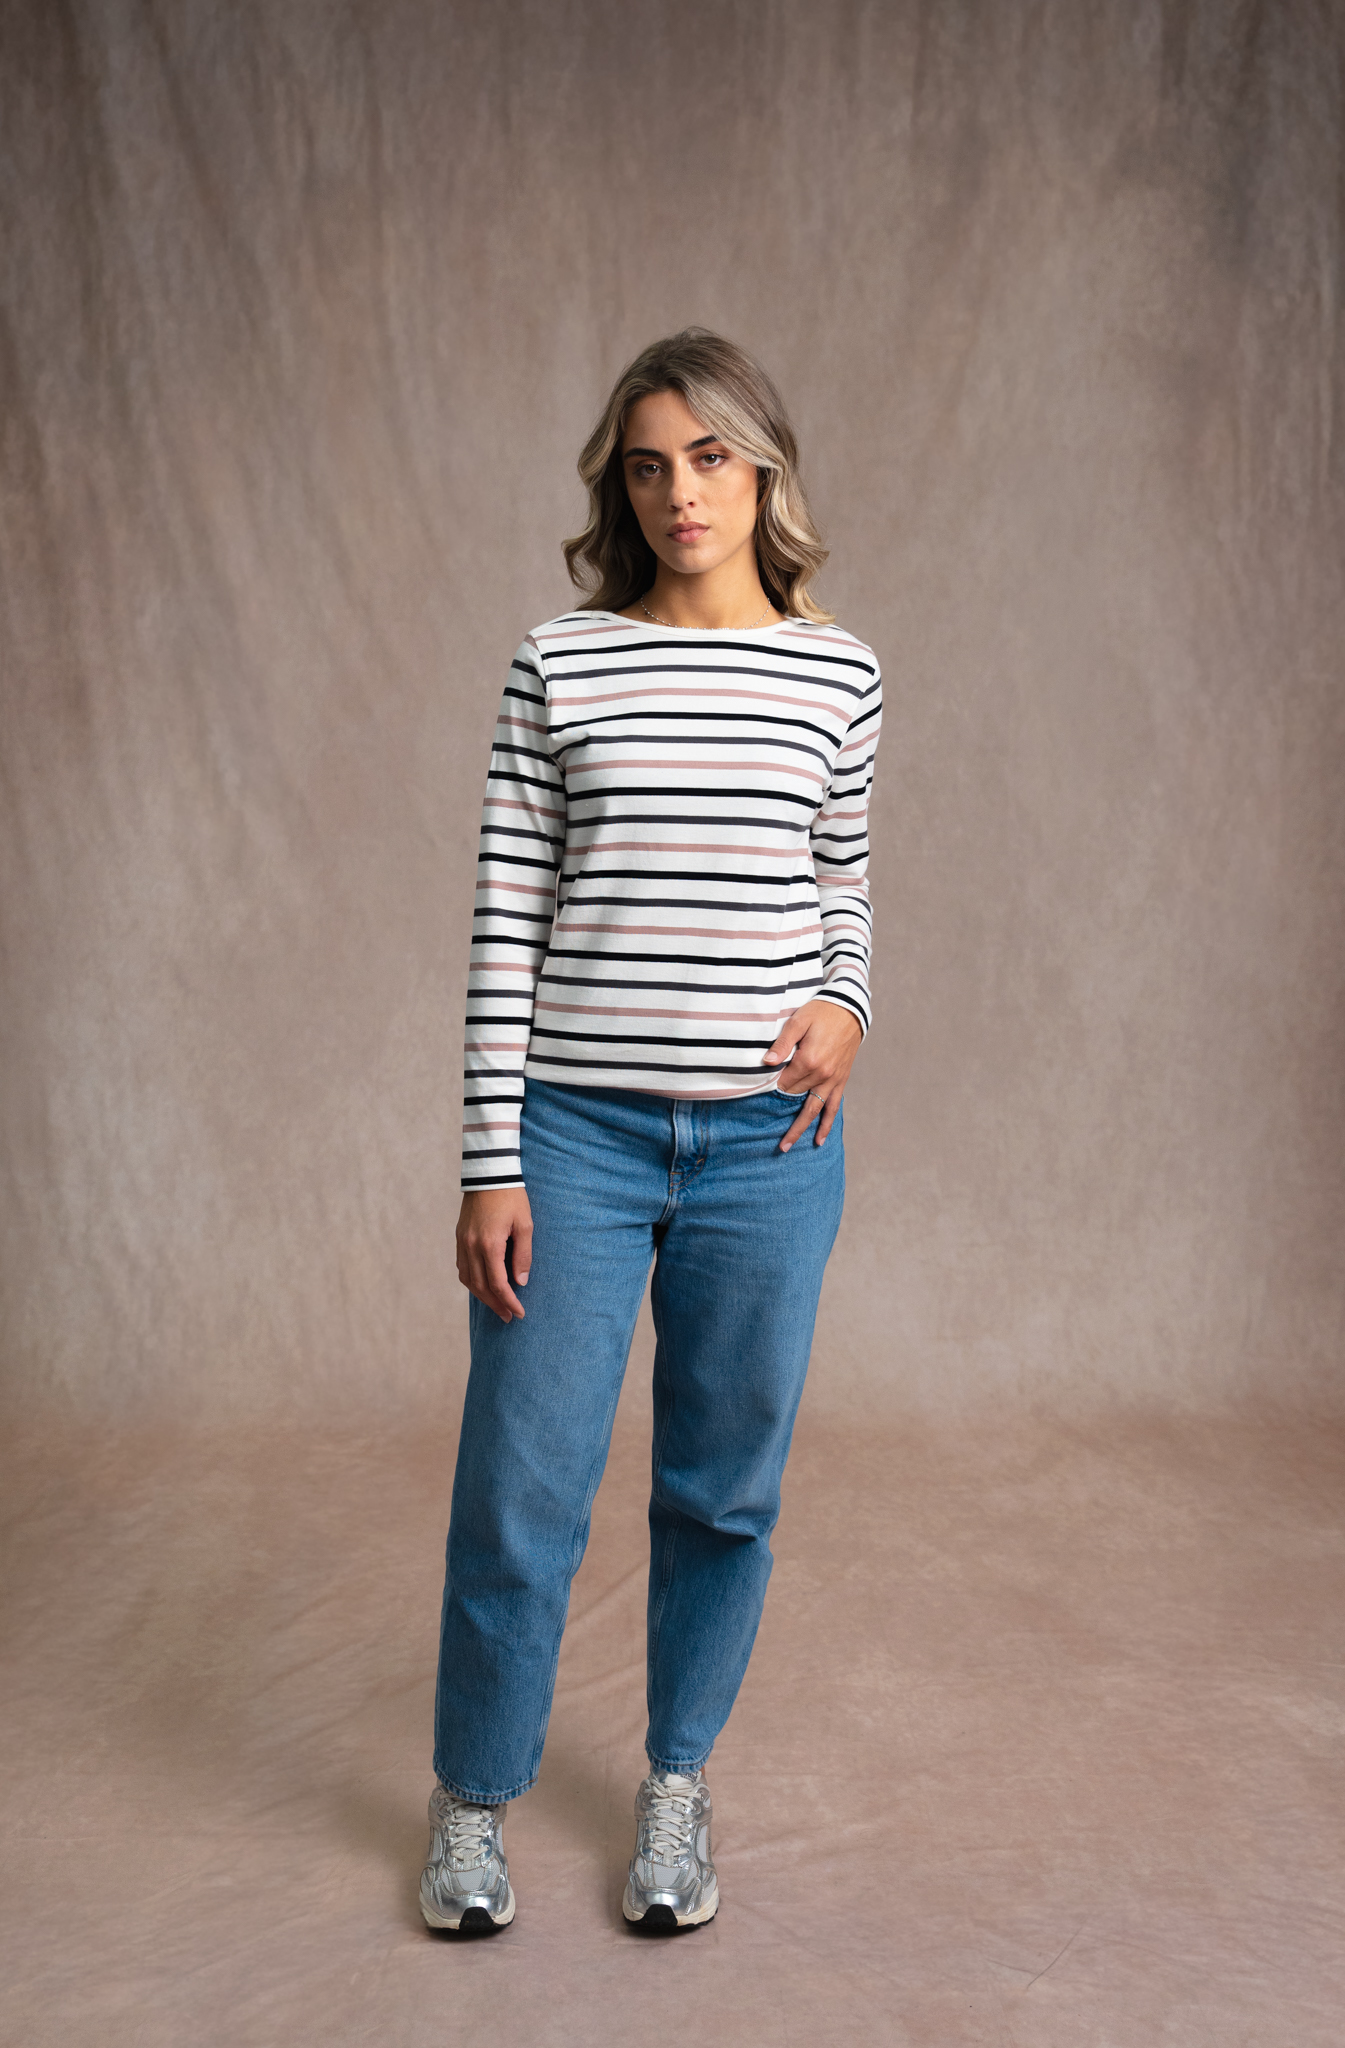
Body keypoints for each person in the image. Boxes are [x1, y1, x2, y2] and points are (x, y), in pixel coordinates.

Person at [420, 328, 882, 1935]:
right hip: (576, 1139)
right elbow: (504, 920)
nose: (678, 492)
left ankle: (675, 1784)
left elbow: (840, 881)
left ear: (763, 470)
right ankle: (473, 1799)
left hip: (769, 1147)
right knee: (520, 1486)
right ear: (617, 488)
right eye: (645, 466)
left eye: (708, 457)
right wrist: (490, 1157)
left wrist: (848, 1003)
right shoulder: (560, 662)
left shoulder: (837, 673)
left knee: (722, 1488)